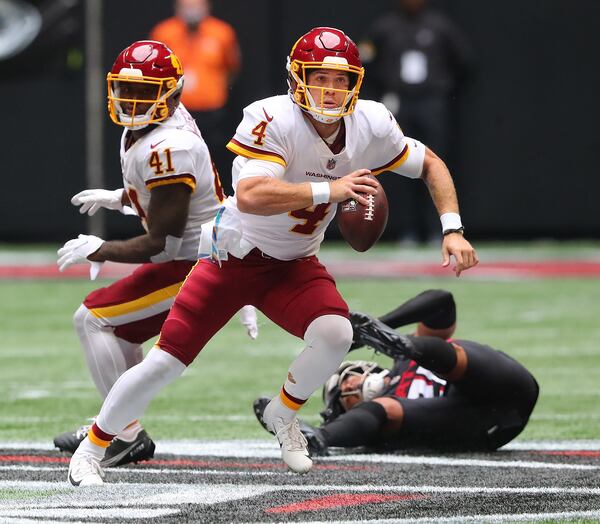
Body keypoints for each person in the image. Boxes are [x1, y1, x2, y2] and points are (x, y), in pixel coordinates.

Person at [67, 26, 478, 486]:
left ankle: (284, 414)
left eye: (340, 80)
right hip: (234, 258)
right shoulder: (270, 117)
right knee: (166, 362)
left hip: (295, 262)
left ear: (355, 84)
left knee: (336, 333)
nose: (330, 89)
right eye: (319, 77)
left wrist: (452, 228)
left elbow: (430, 164)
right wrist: (332, 188)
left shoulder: (372, 122)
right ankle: (94, 448)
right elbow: (251, 195)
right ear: (296, 79)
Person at [55, 40, 257, 468]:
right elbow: (173, 197)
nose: (133, 101)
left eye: (146, 91)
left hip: (200, 261)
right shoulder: (156, 128)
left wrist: (101, 249)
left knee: (92, 318)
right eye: (126, 89)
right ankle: (119, 427)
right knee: (122, 331)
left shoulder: (169, 146)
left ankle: (120, 433)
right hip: (194, 251)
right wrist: (122, 197)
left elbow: (162, 239)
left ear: (173, 93)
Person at [254, 289, 539, 455]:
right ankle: (316, 439)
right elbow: (378, 416)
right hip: (476, 422)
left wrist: (378, 327)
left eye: (347, 376)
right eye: (343, 391)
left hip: (504, 381)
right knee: (386, 408)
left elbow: (442, 302)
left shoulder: (404, 363)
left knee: (446, 352)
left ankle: (389, 337)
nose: (352, 382)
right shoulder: (380, 415)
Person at [360, 0, 472, 244]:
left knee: (435, 163)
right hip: (399, 102)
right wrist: (386, 88)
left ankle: (436, 230)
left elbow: (463, 59)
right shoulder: (385, 27)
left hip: (432, 102)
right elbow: (365, 58)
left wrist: (442, 87)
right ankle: (407, 229)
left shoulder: (439, 25)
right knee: (400, 165)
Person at [150, 0, 241, 188]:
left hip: (213, 113)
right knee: (176, 160)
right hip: (176, 112)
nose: (192, 10)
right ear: (177, 8)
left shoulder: (222, 33)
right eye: (187, 5)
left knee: (214, 160)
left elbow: (232, 67)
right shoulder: (164, 33)